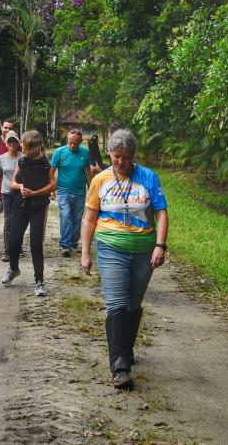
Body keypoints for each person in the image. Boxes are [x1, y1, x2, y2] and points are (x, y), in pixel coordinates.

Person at [80, 128, 168, 390]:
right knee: (116, 302)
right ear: (110, 154)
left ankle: (126, 350)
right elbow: (89, 218)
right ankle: (120, 366)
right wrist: (85, 252)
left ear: (134, 155)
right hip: (110, 246)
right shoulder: (101, 180)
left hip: (143, 248)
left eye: (126, 158)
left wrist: (160, 246)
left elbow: (161, 213)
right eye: (116, 157)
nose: (120, 163)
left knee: (133, 303)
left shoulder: (149, 178)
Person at [2, 130, 56, 296]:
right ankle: (13, 268)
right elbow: (13, 183)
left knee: (35, 245)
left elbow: (53, 185)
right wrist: (20, 187)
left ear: (30, 145)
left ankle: (39, 281)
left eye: (23, 142)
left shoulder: (46, 163)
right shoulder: (22, 161)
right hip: (21, 204)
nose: (20, 145)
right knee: (13, 241)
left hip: (38, 206)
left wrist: (35, 193)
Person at [51, 129, 96, 257]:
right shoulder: (59, 152)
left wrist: (91, 190)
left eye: (75, 143)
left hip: (80, 192)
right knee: (65, 216)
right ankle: (65, 244)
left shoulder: (85, 153)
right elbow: (51, 171)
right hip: (63, 191)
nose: (72, 145)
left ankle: (73, 243)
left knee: (77, 219)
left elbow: (88, 172)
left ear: (80, 142)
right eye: (70, 142)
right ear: (68, 140)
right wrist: (52, 190)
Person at [0, 130, 22, 262]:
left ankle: (17, 247)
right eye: (9, 141)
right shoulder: (1, 158)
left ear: (18, 142)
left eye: (14, 141)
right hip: (6, 193)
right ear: (6, 143)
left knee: (19, 220)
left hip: (20, 192)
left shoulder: (23, 157)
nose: (12, 143)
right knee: (8, 220)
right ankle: (7, 250)